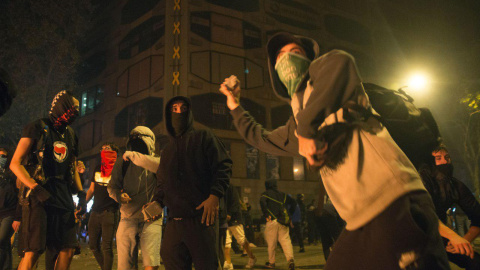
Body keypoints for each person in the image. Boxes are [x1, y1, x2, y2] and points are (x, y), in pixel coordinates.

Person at [220, 32, 449, 269]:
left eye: (295, 52)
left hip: (395, 202)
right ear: (274, 71)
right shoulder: (296, 123)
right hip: (359, 221)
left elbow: (342, 62)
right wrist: (233, 105)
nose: (287, 58)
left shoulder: (334, 80)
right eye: (280, 56)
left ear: (311, 60)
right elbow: (261, 139)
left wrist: (308, 131)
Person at [149, 96, 231, 270]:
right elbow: (162, 183)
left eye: (183, 108)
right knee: (172, 262)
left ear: (190, 112)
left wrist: (214, 195)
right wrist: (156, 202)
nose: (179, 112)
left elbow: (223, 165)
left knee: (206, 265)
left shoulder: (204, 137)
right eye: (174, 109)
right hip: (174, 223)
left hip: (201, 219)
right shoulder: (167, 150)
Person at [10, 90, 85, 270]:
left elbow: (72, 165)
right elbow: (15, 163)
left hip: (63, 196)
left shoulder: (71, 134)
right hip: (39, 195)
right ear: (61, 106)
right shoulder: (38, 127)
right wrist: (34, 187)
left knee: (68, 248)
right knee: (33, 250)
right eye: (72, 108)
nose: (75, 113)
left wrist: (81, 192)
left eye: (77, 110)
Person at [107, 127, 161, 270]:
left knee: (151, 264)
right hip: (127, 218)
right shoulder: (122, 162)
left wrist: (133, 155)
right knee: (125, 266)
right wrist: (119, 196)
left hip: (151, 219)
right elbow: (112, 187)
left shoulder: (157, 162)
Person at [419, 145, 480, 269]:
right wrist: (453, 236)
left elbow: (478, 217)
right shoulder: (419, 181)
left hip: (441, 238)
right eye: (439, 158)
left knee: (475, 261)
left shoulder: (455, 186)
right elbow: (425, 214)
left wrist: (463, 241)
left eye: (447, 157)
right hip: (414, 238)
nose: (445, 161)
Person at [86, 143, 120, 270]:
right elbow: (91, 189)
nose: (104, 150)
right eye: (102, 148)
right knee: (93, 245)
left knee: (107, 247)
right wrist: (83, 204)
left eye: (108, 148)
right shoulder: (97, 168)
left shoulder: (118, 168)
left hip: (110, 211)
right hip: (95, 211)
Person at [260, 180, 296, 269]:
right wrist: (290, 215)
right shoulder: (283, 194)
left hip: (272, 221)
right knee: (286, 241)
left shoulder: (265, 194)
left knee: (271, 243)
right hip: (283, 221)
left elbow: (262, 202)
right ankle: (290, 260)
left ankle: (271, 263)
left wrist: (266, 214)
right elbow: (294, 203)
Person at [224, 185, 256, 269]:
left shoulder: (230, 187)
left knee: (241, 240)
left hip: (234, 218)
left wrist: (229, 213)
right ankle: (228, 263)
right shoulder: (220, 187)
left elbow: (235, 202)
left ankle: (252, 257)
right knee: (226, 242)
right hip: (224, 219)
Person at [0, 147, 20, 270]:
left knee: (1, 239)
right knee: (5, 244)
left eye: (3, 156)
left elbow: (18, 193)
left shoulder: (12, 173)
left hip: (9, 212)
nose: (1, 159)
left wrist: (18, 217)